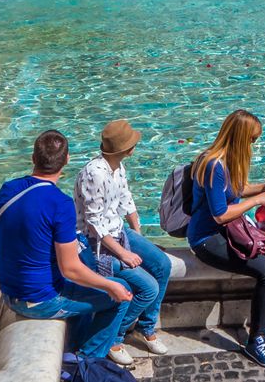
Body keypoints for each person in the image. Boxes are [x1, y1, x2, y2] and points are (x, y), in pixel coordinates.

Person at [0, 131, 133, 361]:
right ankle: (86, 362)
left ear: (33, 158)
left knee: (87, 290)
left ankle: (74, 348)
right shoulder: (60, 204)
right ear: (67, 160)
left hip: (9, 293)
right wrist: (110, 286)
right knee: (120, 292)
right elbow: (71, 269)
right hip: (40, 300)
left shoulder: (8, 189)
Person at [186, 110, 265, 368]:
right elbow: (220, 215)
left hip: (232, 231)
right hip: (207, 238)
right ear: (240, 137)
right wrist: (256, 200)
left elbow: (237, 188)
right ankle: (255, 339)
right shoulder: (213, 165)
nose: (253, 145)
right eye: (252, 140)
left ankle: (264, 327)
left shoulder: (228, 161)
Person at [75, 120, 172, 364]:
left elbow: (126, 199)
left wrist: (137, 232)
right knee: (147, 287)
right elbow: (94, 224)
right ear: (126, 149)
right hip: (96, 245)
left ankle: (147, 328)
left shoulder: (118, 167)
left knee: (162, 263)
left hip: (119, 233)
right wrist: (124, 254)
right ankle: (115, 338)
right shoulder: (94, 174)